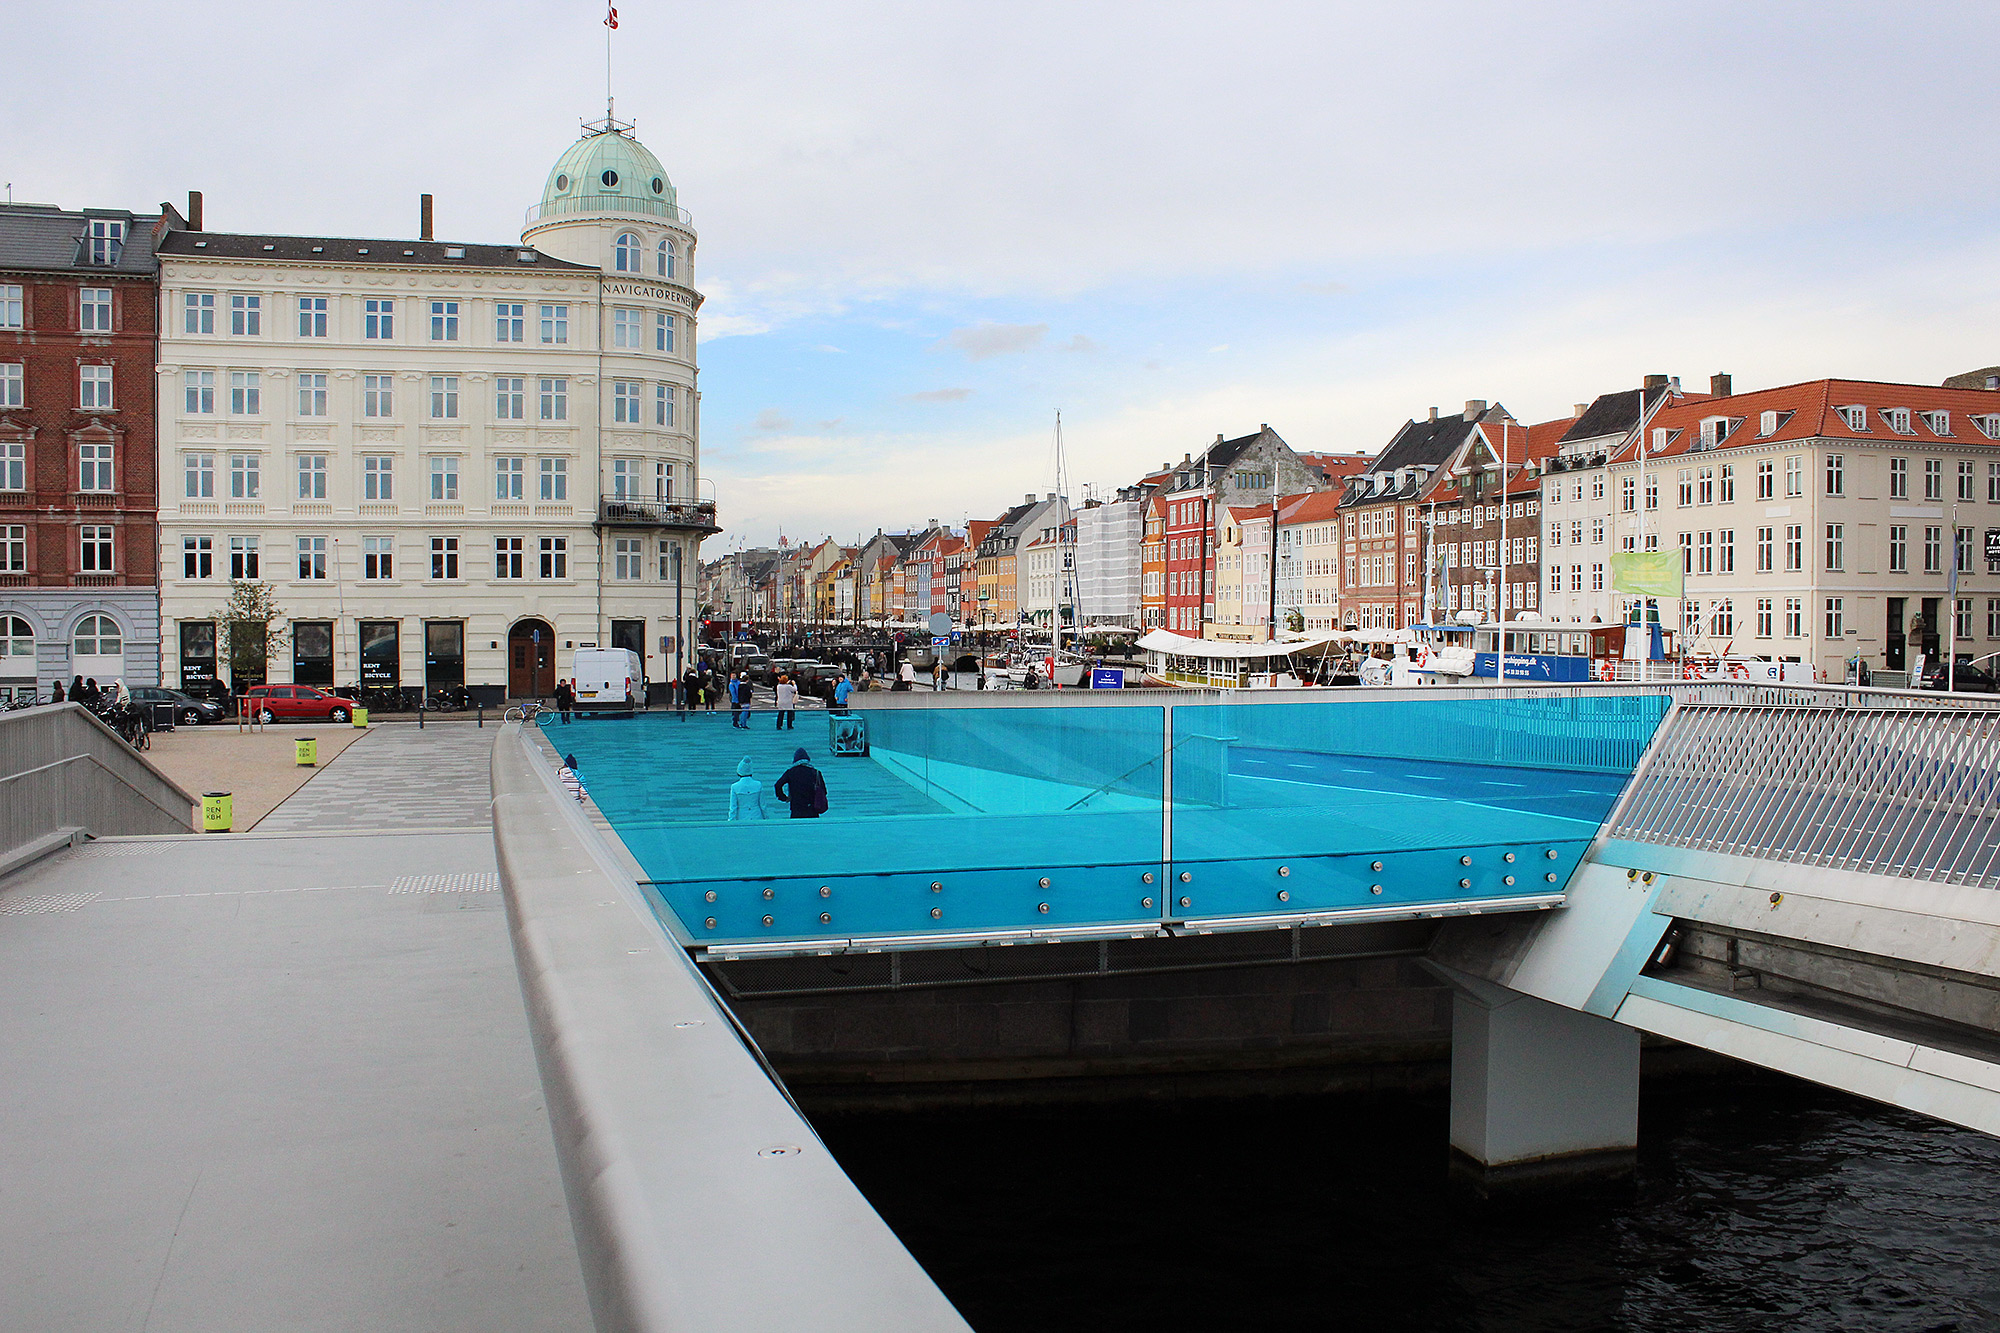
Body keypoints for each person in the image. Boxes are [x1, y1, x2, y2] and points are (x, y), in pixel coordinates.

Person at [773, 747, 827, 819]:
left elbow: (778, 785)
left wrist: (783, 798)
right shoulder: (815, 772)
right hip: (812, 809)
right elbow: (824, 791)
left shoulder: (791, 772)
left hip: (796, 808)